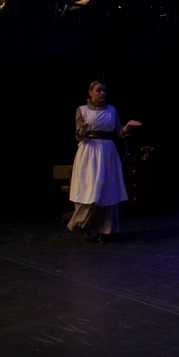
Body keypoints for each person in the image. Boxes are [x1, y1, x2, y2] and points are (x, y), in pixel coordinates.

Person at [67, 80, 142, 242]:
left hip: (108, 151)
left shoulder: (112, 110)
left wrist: (128, 126)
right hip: (89, 151)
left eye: (104, 91)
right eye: (98, 90)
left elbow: (119, 133)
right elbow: (79, 136)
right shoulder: (82, 110)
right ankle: (84, 224)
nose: (102, 93)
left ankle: (105, 230)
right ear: (90, 93)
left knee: (107, 192)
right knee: (90, 192)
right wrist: (83, 130)